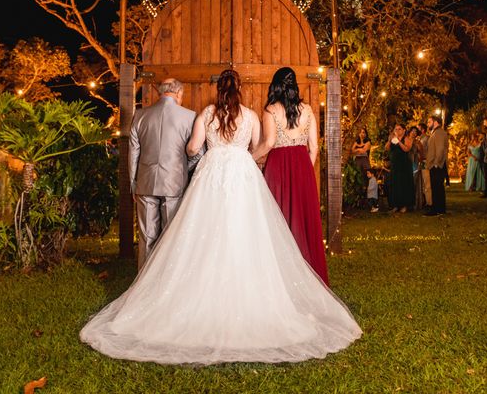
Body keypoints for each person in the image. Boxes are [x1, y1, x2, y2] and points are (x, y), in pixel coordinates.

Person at [80, 69, 362, 364]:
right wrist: (239, 155)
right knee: (248, 231)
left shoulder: (207, 113)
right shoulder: (251, 115)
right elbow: (257, 147)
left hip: (212, 172)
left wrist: (205, 150)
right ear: (239, 88)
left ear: (219, 90)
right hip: (242, 174)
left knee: (204, 231)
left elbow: (192, 146)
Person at [251, 67, 329, 285]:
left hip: (278, 169)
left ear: (275, 85)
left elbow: (268, 144)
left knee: (278, 219)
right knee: (304, 222)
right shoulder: (308, 110)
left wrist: (247, 158)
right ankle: (308, 277)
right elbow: (314, 147)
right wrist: (304, 169)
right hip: (303, 167)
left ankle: (280, 279)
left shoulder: (271, 110)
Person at [129, 78, 198, 269]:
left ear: (161, 92)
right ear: (178, 93)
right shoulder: (190, 116)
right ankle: (167, 277)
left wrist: (134, 183)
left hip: (145, 181)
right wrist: (184, 167)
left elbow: (133, 153)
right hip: (174, 182)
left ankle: (143, 281)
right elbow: (197, 152)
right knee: (171, 234)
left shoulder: (140, 115)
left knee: (147, 236)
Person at [384, 123, 414, 213]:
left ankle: (404, 205)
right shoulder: (392, 138)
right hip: (395, 165)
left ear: (404, 130)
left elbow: (406, 149)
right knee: (395, 184)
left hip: (404, 165)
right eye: (396, 129)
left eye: (399, 129)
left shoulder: (407, 138)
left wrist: (399, 141)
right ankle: (395, 205)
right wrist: (390, 140)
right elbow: (386, 148)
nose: (397, 131)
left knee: (404, 184)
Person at [425, 115, 449, 216]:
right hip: (436, 164)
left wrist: (436, 163)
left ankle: (437, 209)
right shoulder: (437, 132)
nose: (427, 124)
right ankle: (439, 209)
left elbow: (440, 149)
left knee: (437, 187)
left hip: (437, 165)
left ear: (435, 122)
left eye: (429, 122)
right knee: (436, 187)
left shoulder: (439, 133)